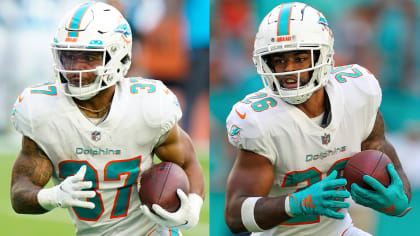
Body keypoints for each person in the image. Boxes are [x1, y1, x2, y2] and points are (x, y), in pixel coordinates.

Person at [9, 2, 205, 236]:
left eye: (88, 57)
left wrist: (192, 209)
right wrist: (52, 196)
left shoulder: (148, 106)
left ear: (118, 56)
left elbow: (188, 163)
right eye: (68, 56)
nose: (75, 68)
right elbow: (20, 192)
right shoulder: (42, 110)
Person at [224, 2, 412, 236]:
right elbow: (234, 215)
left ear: (322, 55)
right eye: (279, 60)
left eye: (300, 58)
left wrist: (400, 198)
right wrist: (295, 203)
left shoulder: (357, 93)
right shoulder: (260, 120)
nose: (288, 70)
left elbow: (391, 164)